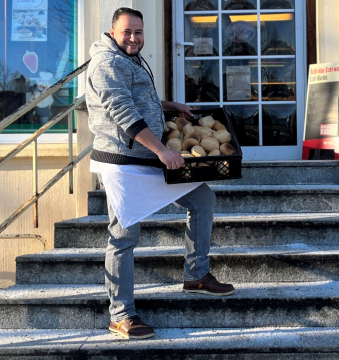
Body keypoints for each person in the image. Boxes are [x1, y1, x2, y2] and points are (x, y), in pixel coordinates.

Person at [85, 7, 235, 340]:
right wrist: (162, 150)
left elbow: (143, 100)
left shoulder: (130, 58)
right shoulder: (107, 63)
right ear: (112, 32)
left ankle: (196, 274)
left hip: (149, 155)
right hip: (124, 160)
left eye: (139, 33)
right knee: (123, 236)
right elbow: (123, 111)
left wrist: (169, 106)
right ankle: (121, 314)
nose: (134, 38)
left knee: (202, 199)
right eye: (127, 32)